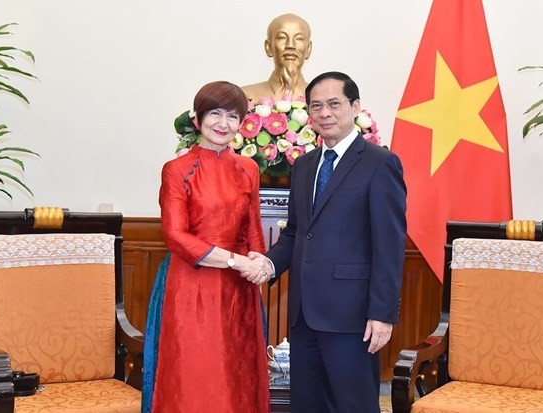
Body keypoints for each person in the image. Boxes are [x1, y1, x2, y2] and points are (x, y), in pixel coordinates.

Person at [250, 72, 407, 412]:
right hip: (304, 316)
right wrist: (269, 262)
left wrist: (382, 314)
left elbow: (389, 245)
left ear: (355, 107)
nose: (325, 113)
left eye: (334, 104)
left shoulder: (381, 164)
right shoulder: (304, 166)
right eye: (316, 106)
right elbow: (295, 232)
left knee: (354, 405)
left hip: (353, 317)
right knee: (307, 405)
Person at [144, 81, 272, 413]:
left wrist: (258, 263)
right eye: (215, 113)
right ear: (198, 119)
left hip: (239, 289)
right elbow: (175, 236)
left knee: (238, 374)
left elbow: (254, 230)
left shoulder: (249, 169)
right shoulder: (177, 170)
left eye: (232, 116)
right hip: (190, 283)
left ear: (241, 124)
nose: (223, 123)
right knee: (196, 374)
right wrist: (236, 262)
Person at [242, 13, 312, 102]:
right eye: (282, 37)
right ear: (268, 47)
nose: (290, 45)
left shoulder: (322, 99)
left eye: (299, 38)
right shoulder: (245, 97)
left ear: (309, 49)